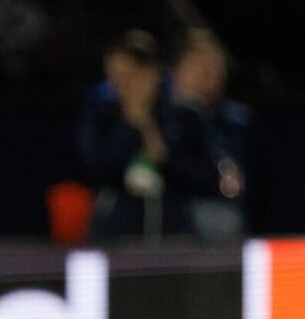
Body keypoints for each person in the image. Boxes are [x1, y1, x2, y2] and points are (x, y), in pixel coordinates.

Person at [75, 29, 217, 240]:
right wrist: (129, 125)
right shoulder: (101, 115)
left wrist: (163, 153)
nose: (128, 85)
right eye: (120, 78)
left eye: (136, 74)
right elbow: (95, 170)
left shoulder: (183, 117)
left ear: (155, 72)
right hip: (115, 234)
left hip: (174, 232)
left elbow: (206, 179)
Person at [168, 28, 251, 240]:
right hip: (171, 215)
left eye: (215, 63)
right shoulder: (161, 115)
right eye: (199, 62)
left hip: (224, 216)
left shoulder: (237, 119)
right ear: (179, 68)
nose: (208, 72)